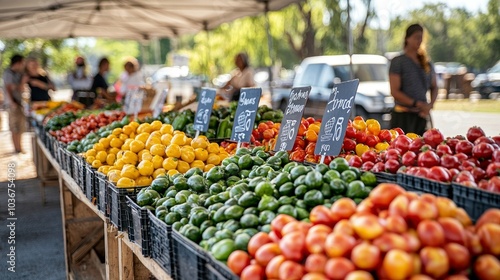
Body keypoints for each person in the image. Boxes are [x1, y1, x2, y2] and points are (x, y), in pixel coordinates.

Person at [389, 23, 438, 136]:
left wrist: (430, 105)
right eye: (416, 37)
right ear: (407, 38)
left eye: (421, 37)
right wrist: (417, 104)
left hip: (422, 116)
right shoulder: (398, 61)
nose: (419, 40)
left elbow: (434, 86)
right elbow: (395, 91)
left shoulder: (427, 63)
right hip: (403, 117)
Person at [3, 54, 28, 153]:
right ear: (18, 63)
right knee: (14, 127)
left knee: (20, 127)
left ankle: (19, 147)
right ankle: (17, 148)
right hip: (13, 104)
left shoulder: (18, 73)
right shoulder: (8, 73)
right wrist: (12, 102)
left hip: (18, 103)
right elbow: (8, 88)